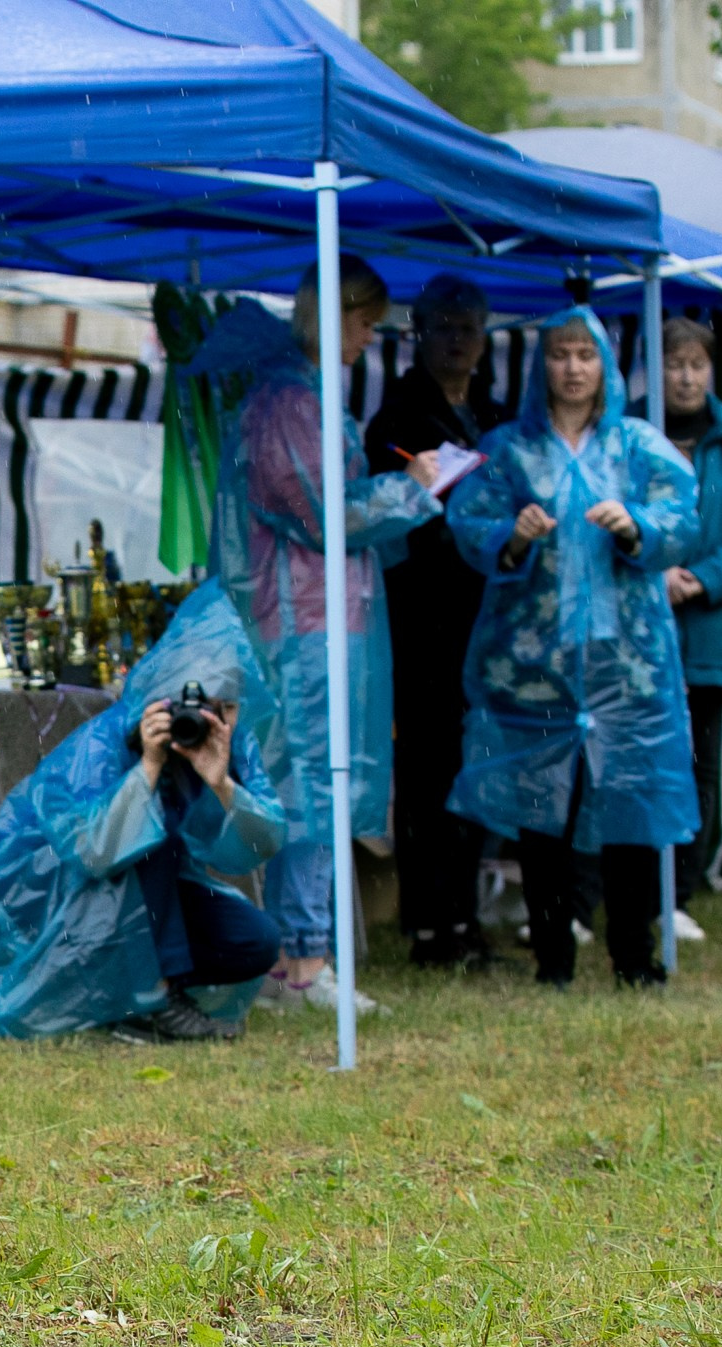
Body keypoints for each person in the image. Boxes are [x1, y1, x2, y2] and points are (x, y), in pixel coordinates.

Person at [202, 257, 443, 1015]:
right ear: (333, 315)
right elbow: (323, 511)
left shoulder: (300, 395)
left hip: (317, 620)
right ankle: (301, 964)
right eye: (366, 323)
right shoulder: (289, 401)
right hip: (302, 626)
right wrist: (417, 484)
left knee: (314, 783)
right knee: (311, 783)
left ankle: (301, 955)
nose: (370, 339)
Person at [446, 306, 698, 987]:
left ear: (606, 364)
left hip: (627, 665)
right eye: (560, 353)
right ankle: (553, 956)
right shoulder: (509, 450)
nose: (574, 367)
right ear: (542, 364)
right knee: (541, 811)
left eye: (587, 353)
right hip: (534, 667)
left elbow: (683, 514)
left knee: (631, 805)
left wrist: (636, 525)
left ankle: (634, 955)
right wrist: (516, 535)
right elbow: (468, 518)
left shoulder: (639, 446)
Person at [0, 583, 287, 1042]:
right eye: (190, 705)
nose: (201, 721)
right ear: (161, 699)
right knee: (146, 832)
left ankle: (131, 988)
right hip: (54, 898)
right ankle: (154, 1000)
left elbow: (263, 843)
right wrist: (149, 767)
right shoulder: (106, 744)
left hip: (138, 901)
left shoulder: (231, 747)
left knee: (254, 940)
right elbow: (93, 852)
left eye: (220, 707)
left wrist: (221, 783)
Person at [365, 274, 505, 967]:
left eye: (468, 327)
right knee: (425, 768)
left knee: (478, 764)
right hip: (422, 616)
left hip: (488, 615)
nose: (457, 340)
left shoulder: (496, 413)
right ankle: (427, 920)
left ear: (485, 338)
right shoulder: (396, 418)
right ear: (419, 331)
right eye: (444, 326)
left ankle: (466, 915)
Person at [657, 316, 722, 934]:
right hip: (641, 618)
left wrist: (699, 578)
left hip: (710, 625)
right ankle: (617, 885)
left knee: (700, 759)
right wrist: (655, 572)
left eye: (697, 365)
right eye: (674, 364)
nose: (686, 377)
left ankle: (679, 895)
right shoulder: (630, 426)